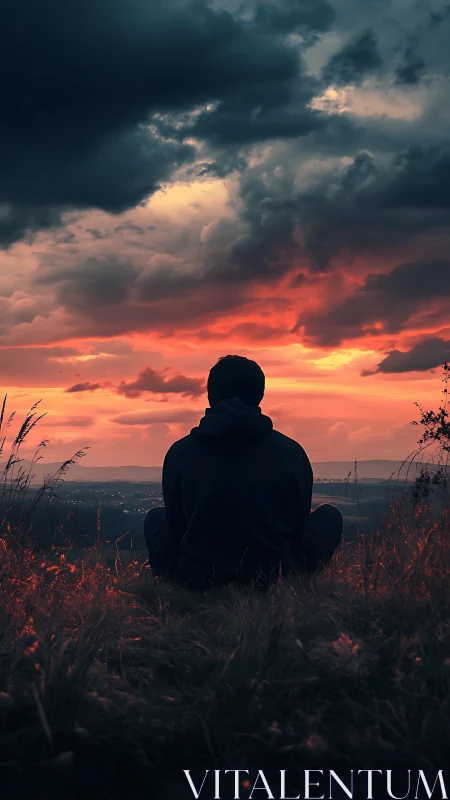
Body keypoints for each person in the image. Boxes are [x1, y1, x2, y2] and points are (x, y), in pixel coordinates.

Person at [144, 355, 343, 590]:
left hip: (197, 579)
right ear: (260, 395)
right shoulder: (291, 452)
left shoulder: (180, 452)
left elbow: (177, 531)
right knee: (329, 516)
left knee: (155, 517)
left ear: (210, 395)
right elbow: (297, 532)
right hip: (275, 577)